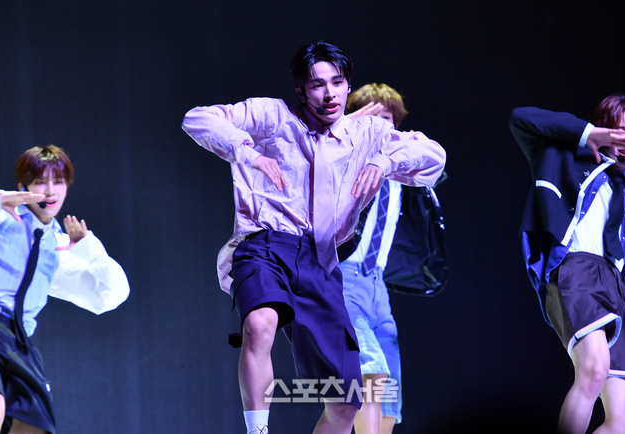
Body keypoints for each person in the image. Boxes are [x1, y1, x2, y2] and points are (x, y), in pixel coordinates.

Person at [181, 41, 446, 434]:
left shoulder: (367, 134)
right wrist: (248, 153)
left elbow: (434, 156)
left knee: (347, 400)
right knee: (260, 324)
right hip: (265, 244)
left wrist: (384, 159)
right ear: (301, 91)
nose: (329, 93)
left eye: (337, 83)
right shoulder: (273, 115)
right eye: (317, 85)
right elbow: (198, 118)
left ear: (347, 85)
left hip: (321, 261)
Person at [510, 94, 625, 434]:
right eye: (620, 131)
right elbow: (520, 117)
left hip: (619, 285)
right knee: (594, 368)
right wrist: (590, 134)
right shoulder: (563, 156)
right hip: (575, 268)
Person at [0, 145, 130, 434]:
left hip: (18, 342)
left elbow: (111, 296)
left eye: (58, 182)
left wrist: (90, 250)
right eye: (40, 182)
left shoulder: (58, 247)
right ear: (23, 187)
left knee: (34, 425)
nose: (50, 191)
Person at [338, 83, 448, 434]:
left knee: (389, 392)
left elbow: (432, 155)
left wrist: (390, 154)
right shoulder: (347, 158)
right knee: (370, 370)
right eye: (373, 117)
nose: (381, 125)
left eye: (387, 118)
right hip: (345, 277)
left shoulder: (400, 167)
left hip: (378, 285)